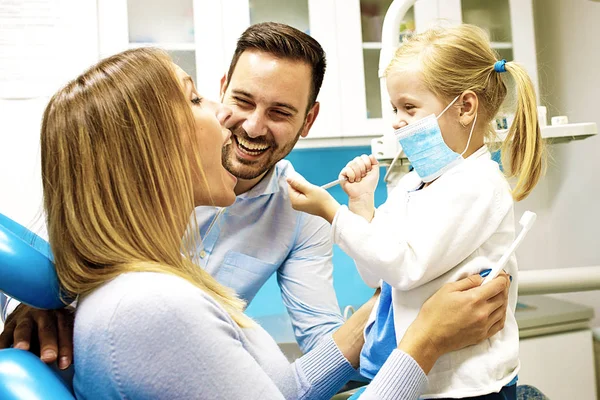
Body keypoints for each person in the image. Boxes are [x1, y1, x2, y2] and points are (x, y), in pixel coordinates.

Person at [34, 47, 510, 399]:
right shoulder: (153, 307)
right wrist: (425, 342)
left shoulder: (159, 285)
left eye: (280, 111)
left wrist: (386, 308)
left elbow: (280, 389)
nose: (230, 118)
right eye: (197, 99)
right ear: (152, 149)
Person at [0, 22, 341, 366]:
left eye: (280, 112)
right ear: (223, 91)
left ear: (308, 120)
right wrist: (34, 302)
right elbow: (36, 252)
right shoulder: (135, 172)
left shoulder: (302, 209)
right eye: (242, 100)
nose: (252, 127)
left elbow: (320, 339)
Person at [286, 24, 545, 399]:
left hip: (467, 390)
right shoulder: (412, 184)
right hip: (418, 381)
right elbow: (376, 276)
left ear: (466, 107)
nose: (396, 120)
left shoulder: (477, 186)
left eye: (409, 107)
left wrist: (333, 213)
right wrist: (361, 207)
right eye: (394, 108)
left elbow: (405, 267)